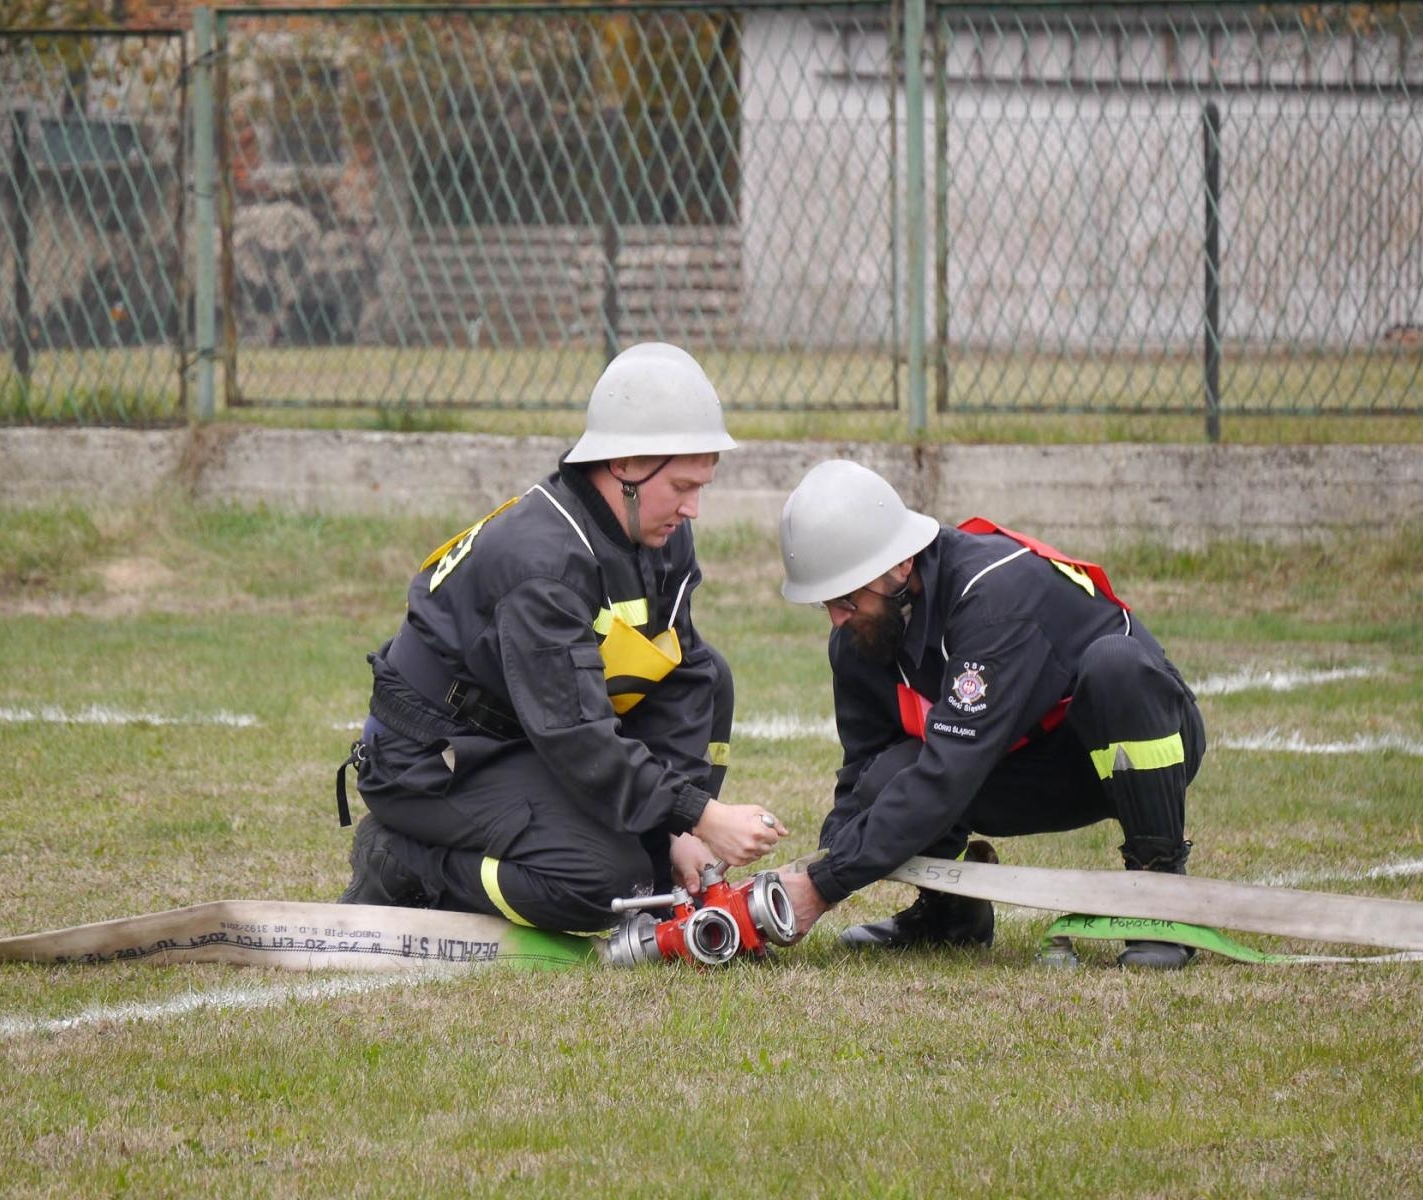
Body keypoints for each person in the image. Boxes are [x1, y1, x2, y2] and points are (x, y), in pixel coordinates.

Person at [334, 342, 786, 932]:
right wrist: (701, 815)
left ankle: (649, 851)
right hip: (430, 758)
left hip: (520, 736)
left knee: (708, 682)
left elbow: (682, 674)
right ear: (623, 465)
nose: (693, 508)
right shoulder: (541, 563)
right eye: (680, 486)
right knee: (609, 883)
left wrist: (673, 834)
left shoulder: (655, 533)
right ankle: (403, 861)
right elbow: (576, 737)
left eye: (702, 485)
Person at [773, 460, 1206, 969]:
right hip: (1012, 761)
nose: (837, 617)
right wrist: (808, 875)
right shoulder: (860, 637)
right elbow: (863, 770)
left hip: (1132, 746)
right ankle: (949, 918)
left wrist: (822, 887)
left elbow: (948, 773)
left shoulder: (993, 598)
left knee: (1117, 668)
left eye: (846, 598)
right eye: (825, 602)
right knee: (886, 777)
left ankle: (1162, 900)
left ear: (900, 566)